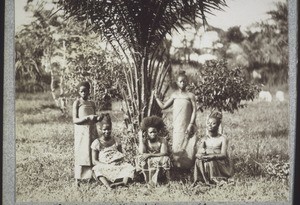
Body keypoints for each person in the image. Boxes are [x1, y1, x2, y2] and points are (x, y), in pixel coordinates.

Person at [154, 71, 197, 169]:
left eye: (184, 81)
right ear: (177, 83)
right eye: (180, 81)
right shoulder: (174, 95)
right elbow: (164, 106)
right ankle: (178, 168)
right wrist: (156, 98)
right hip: (178, 126)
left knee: (189, 146)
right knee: (177, 146)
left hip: (188, 125)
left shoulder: (190, 96)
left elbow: (194, 110)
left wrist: (191, 124)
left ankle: (188, 168)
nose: (183, 83)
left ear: (187, 83)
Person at [91, 114, 135, 189]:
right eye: (104, 129)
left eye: (109, 129)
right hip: (105, 165)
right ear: (100, 129)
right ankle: (108, 186)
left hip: (117, 164)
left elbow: (121, 154)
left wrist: (119, 161)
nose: (107, 131)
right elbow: (94, 161)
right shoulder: (97, 142)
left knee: (129, 167)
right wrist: (105, 165)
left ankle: (123, 183)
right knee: (96, 169)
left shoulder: (116, 140)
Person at [73, 81, 104, 187]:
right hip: (81, 132)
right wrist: (87, 118)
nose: (83, 93)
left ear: (88, 91)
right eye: (81, 91)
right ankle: (79, 178)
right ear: (78, 92)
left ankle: (91, 176)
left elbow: (94, 118)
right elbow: (75, 119)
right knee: (82, 152)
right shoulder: (77, 103)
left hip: (92, 130)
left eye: (85, 91)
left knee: (92, 151)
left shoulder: (92, 103)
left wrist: (98, 118)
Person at [192, 112, 233, 186]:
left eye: (213, 123)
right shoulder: (204, 139)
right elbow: (197, 153)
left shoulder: (222, 138)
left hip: (219, 161)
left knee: (211, 160)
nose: (210, 125)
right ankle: (201, 180)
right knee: (198, 160)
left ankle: (215, 179)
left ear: (218, 125)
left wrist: (213, 156)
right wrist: (200, 156)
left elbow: (223, 154)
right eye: (208, 123)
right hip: (207, 158)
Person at [136, 116, 171, 187]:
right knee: (139, 158)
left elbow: (164, 153)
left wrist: (149, 155)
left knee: (165, 159)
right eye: (151, 132)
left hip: (158, 157)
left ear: (157, 131)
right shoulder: (145, 141)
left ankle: (163, 179)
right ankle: (146, 180)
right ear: (147, 133)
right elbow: (142, 153)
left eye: (155, 132)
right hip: (150, 159)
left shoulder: (162, 140)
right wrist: (140, 138)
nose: (153, 134)